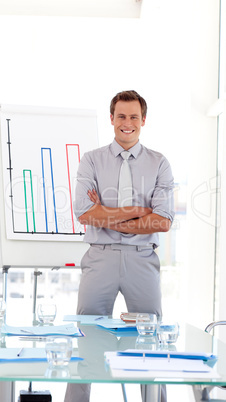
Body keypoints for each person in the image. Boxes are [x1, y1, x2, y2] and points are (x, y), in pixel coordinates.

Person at [64, 90, 174, 402]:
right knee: (86, 339)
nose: (127, 123)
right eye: (121, 116)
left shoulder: (159, 163)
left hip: (142, 261)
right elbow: (84, 213)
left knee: (151, 344)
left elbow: (163, 221)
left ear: (143, 121)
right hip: (100, 259)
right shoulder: (92, 160)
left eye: (134, 117)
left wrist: (106, 214)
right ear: (111, 119)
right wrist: (137, 211)